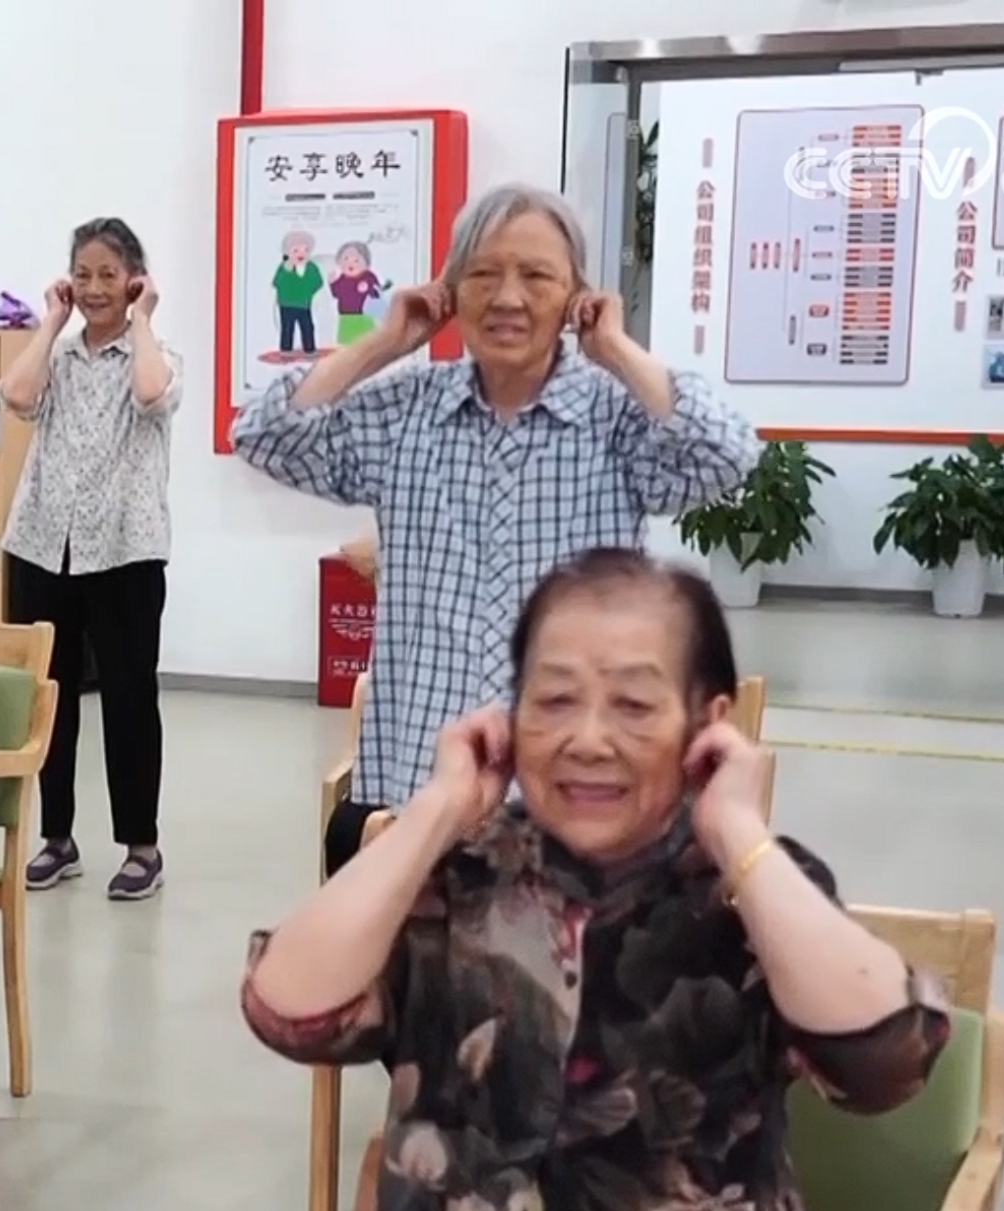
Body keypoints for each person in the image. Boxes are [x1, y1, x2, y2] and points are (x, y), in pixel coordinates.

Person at [242, 547, 954, 1211]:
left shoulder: (752, 895)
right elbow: (287, 1011)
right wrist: (434, 813)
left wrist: (739, 833)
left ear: (708, 723)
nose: (587, 739)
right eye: (553, 701)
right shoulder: (456, 879)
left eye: (634, 705)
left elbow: (888, 1063)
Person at [229, 183, 760, 879]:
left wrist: (616, 349)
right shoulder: (408, 411)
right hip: (424, 779)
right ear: (451, 291)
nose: (508, 297)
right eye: (483, 274)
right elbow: (263, 433)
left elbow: (728, 453)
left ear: (576, 297)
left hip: (577, 784)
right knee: (417, 948)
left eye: (537, 276)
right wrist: (385, 341)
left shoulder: (615, 419)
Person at [0, 216, 183, 901]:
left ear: (134, 280)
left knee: (130, 700)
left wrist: (144, 319)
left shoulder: (158, 353)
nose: (95, 287)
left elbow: (151, 394)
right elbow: (16, 397)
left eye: (109, 274)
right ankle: (57, 837)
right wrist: (50, 321)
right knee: (50, 699)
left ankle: (141, 846)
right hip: (45, 544)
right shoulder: (59, 356)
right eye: (83, 274)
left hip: (126, 550)